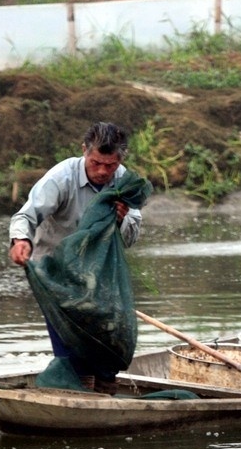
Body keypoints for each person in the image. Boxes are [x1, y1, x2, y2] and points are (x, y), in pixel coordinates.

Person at [8, 122, 143, 394]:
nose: (103, 171)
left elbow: (131, 237)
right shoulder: (61, 178)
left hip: (98, 271)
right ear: (84, 151)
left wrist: (122, 219)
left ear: (120, 160)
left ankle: (104, 387)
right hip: (55, 268)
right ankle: (77, 388)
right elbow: (26, 215)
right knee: (68, 335)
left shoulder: (123, 181)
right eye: (96, 163)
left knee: (108, 334)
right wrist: (21, 240)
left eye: (110, 165)